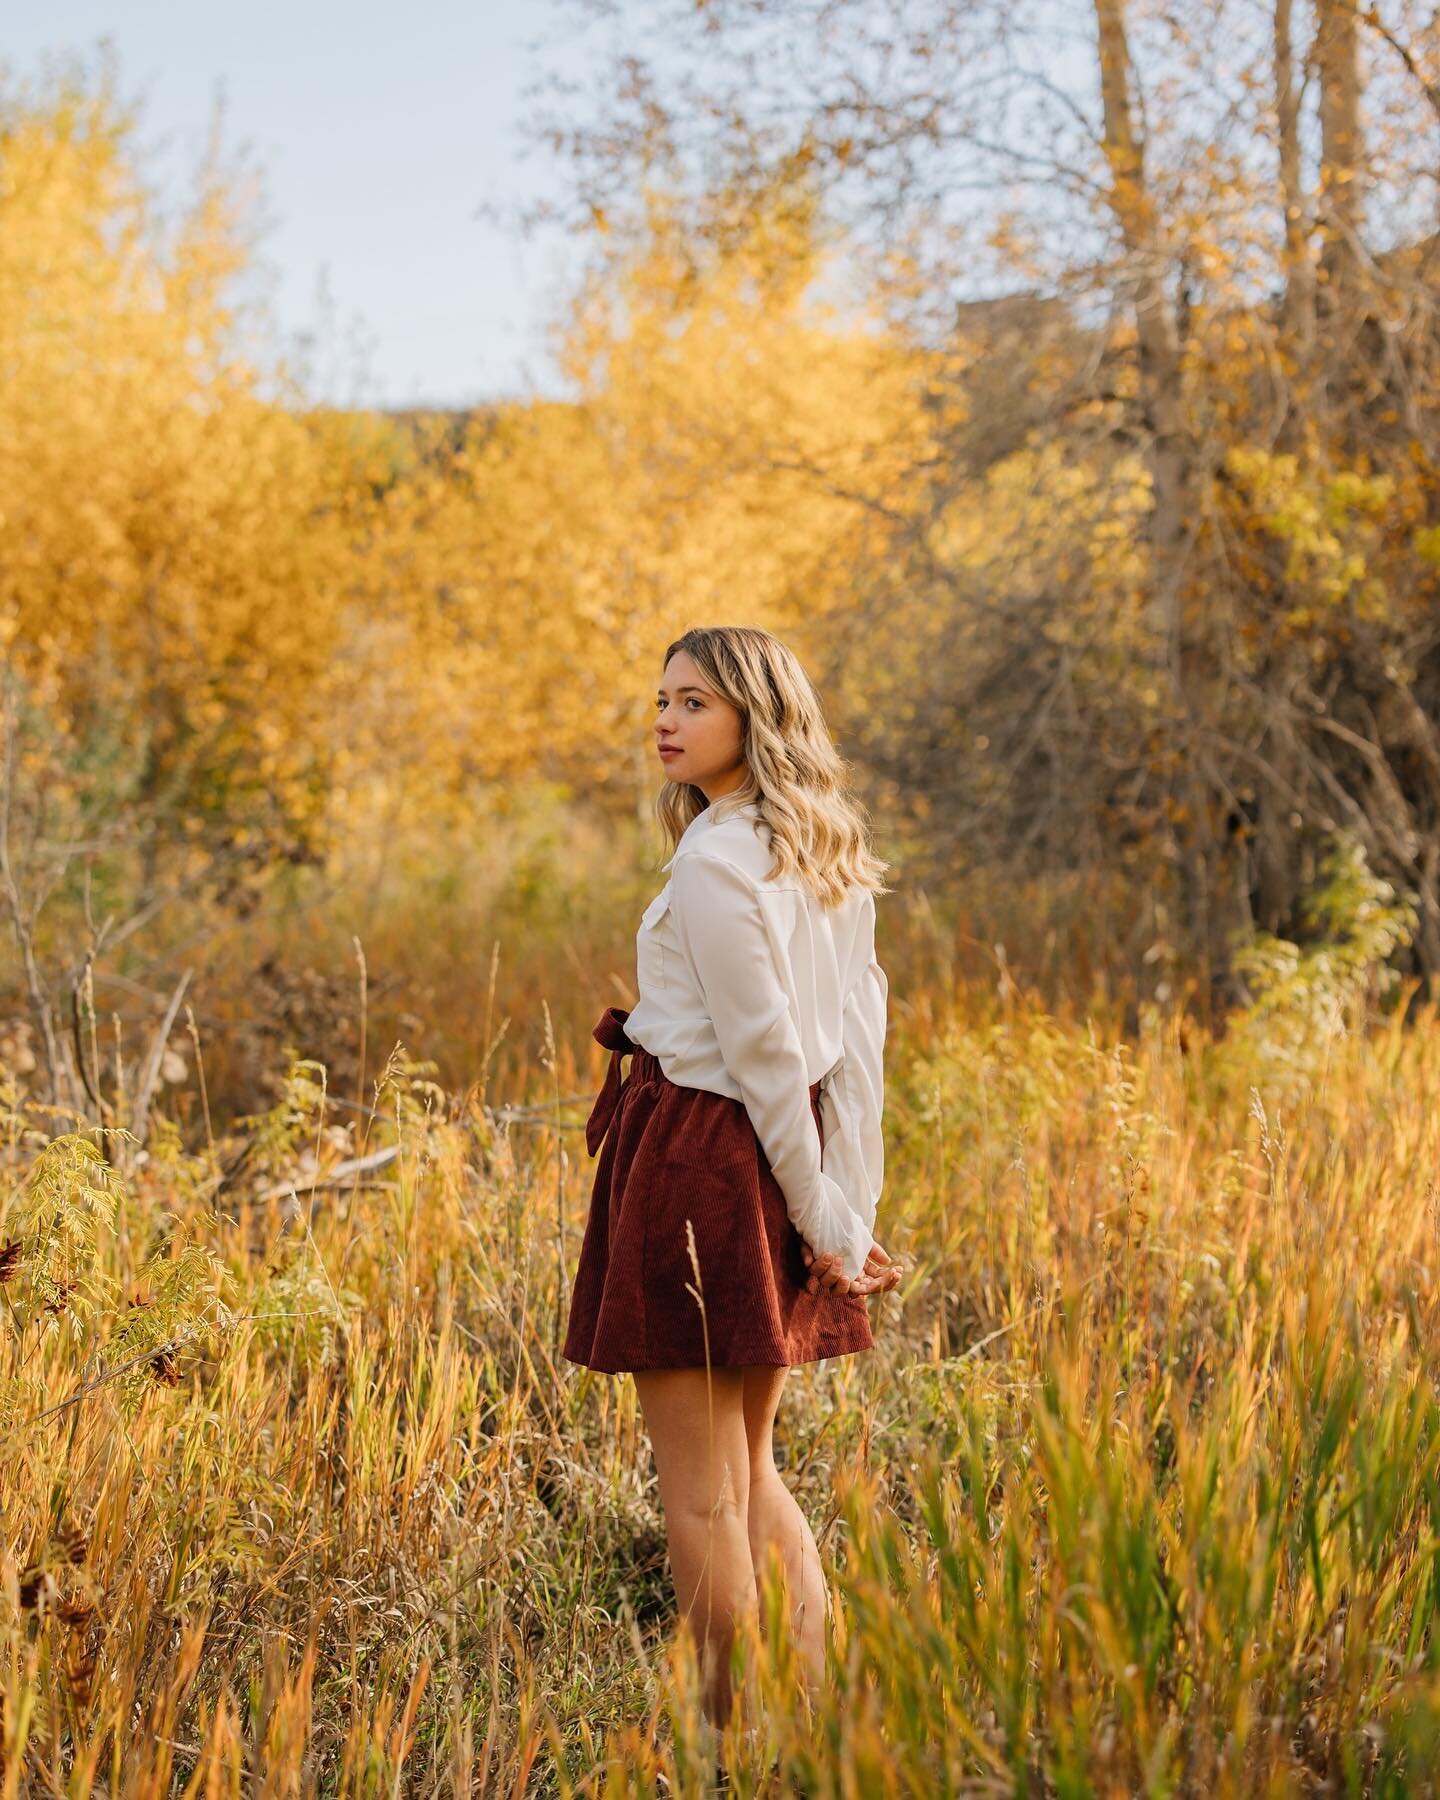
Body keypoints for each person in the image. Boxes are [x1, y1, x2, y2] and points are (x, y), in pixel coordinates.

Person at [562, 624, 901, 1741]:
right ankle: (810, 1728)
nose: (664, 718)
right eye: (661, 699)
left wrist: (828, 1223)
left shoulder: (717, 856)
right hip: (775, 1149)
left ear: (756, 715)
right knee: (749, 1471)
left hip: (704, 1161)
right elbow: (850, 1053)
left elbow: (764, 1056)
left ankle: (729, 1741)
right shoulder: (823, 849)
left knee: (701, 1494)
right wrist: (843, 1210)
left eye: (693, 701)